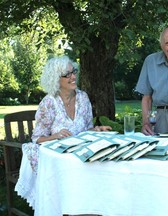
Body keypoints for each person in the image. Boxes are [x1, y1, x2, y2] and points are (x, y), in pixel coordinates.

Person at [15, 56, 111, 209]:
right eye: (67, 75)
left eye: (74, 72)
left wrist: (96, 129)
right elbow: (37, 138)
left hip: (80, 154)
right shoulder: (49, 103)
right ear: (55, 79)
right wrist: (55, 136)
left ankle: (88, 207)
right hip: (60, 160)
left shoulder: (83, 98)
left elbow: (86, 130)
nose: (73, 77)